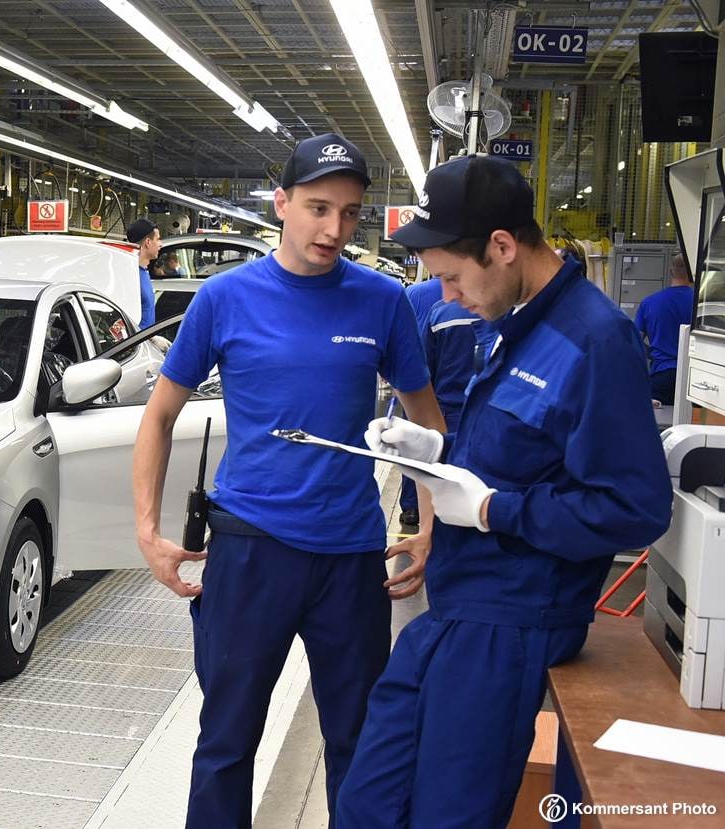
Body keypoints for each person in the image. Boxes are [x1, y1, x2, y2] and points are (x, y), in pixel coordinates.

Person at [338, 155, 673, 828]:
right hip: (457, 608)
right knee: (366, 802)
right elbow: (523, 454)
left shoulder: (594, 340)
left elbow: (635, 507)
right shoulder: (512, 327)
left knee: (444, 816)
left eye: (453, 279)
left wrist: (493, 509)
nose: (450, 298)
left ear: (502, 246)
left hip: (514, 621)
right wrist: (436, 456)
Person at [132, 133, 446, 829]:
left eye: (350, 212)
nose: (334, 228)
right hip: (250, 552)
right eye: (317, 207)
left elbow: (426, 421)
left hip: (349, 558)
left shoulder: (382, 303)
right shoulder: (224, 299)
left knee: (359, 744)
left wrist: (428, 525)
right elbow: (156, 417)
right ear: (281, 204)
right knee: (226, 741)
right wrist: (148, 532)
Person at [397, 276, 444, 527]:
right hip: (451, 383)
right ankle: (440, 510)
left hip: (416, 376)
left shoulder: (413, 293)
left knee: (412, 442)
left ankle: (411, 506)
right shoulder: (471, 293)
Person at [634, 252, 694, 405]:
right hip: (694, 379)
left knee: (658, 424)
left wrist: (653, 353)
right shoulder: (699, 302)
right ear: (693, 273)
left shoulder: (649, 302)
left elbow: (634, 340)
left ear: (670, 271)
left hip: (662, 374)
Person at [127, 217, 160, 328]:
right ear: (148, 242)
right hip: (136, 343)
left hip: (146, 342)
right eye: (157, 239)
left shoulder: (144, 271)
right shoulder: (131, 275)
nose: (161, 244)